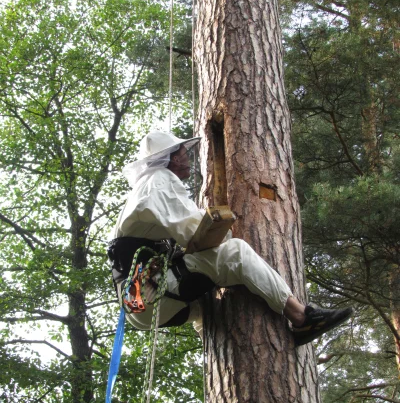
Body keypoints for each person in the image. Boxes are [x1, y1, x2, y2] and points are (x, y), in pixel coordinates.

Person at [110, 130, 353, 345]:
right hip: (150, 292)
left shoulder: (143, 189)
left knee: (206, 304)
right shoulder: (160, 180)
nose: (188, 158)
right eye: (185, 153)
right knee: (235, 252)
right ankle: (302, 317)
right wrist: (226, 231)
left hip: (141, 305)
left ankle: (212, 344)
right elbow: (193, 231)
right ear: (173, 157)